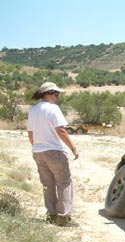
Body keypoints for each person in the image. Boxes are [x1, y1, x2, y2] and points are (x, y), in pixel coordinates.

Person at [27, 82, 79, 226]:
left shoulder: (33, 110)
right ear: (49, 93)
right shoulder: (53, 109)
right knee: (64, 182)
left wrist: (37, 147)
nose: (57, 97)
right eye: (56, 94)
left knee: (47, 184)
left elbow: (30, 134)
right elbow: (61, 131)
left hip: (38, 151)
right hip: (54, 150)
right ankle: (63, 217)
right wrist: (73, 148)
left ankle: (51, 215)